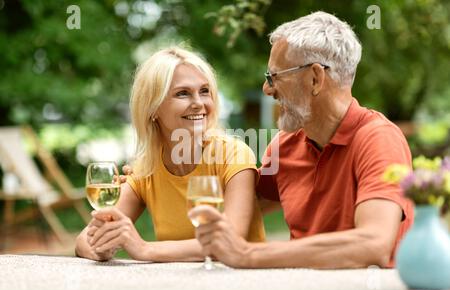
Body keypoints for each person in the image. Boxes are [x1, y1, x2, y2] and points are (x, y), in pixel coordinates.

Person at [190, 11, 413, 269]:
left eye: (275, 76)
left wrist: (249, 255)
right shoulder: (284, 147)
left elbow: (373, 244)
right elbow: (230, 208)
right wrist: (150, 175)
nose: (267, 89)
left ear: (315, 78)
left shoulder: (378, 139)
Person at [75, 47, 265, 262]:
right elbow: (84, 240)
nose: (199, 103)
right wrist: (100, 249)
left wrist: (145, 249)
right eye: (182, 93)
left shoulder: (234, 155)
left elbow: (229, 240)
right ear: (152, 108)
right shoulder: (145, 168)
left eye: (204, 91)